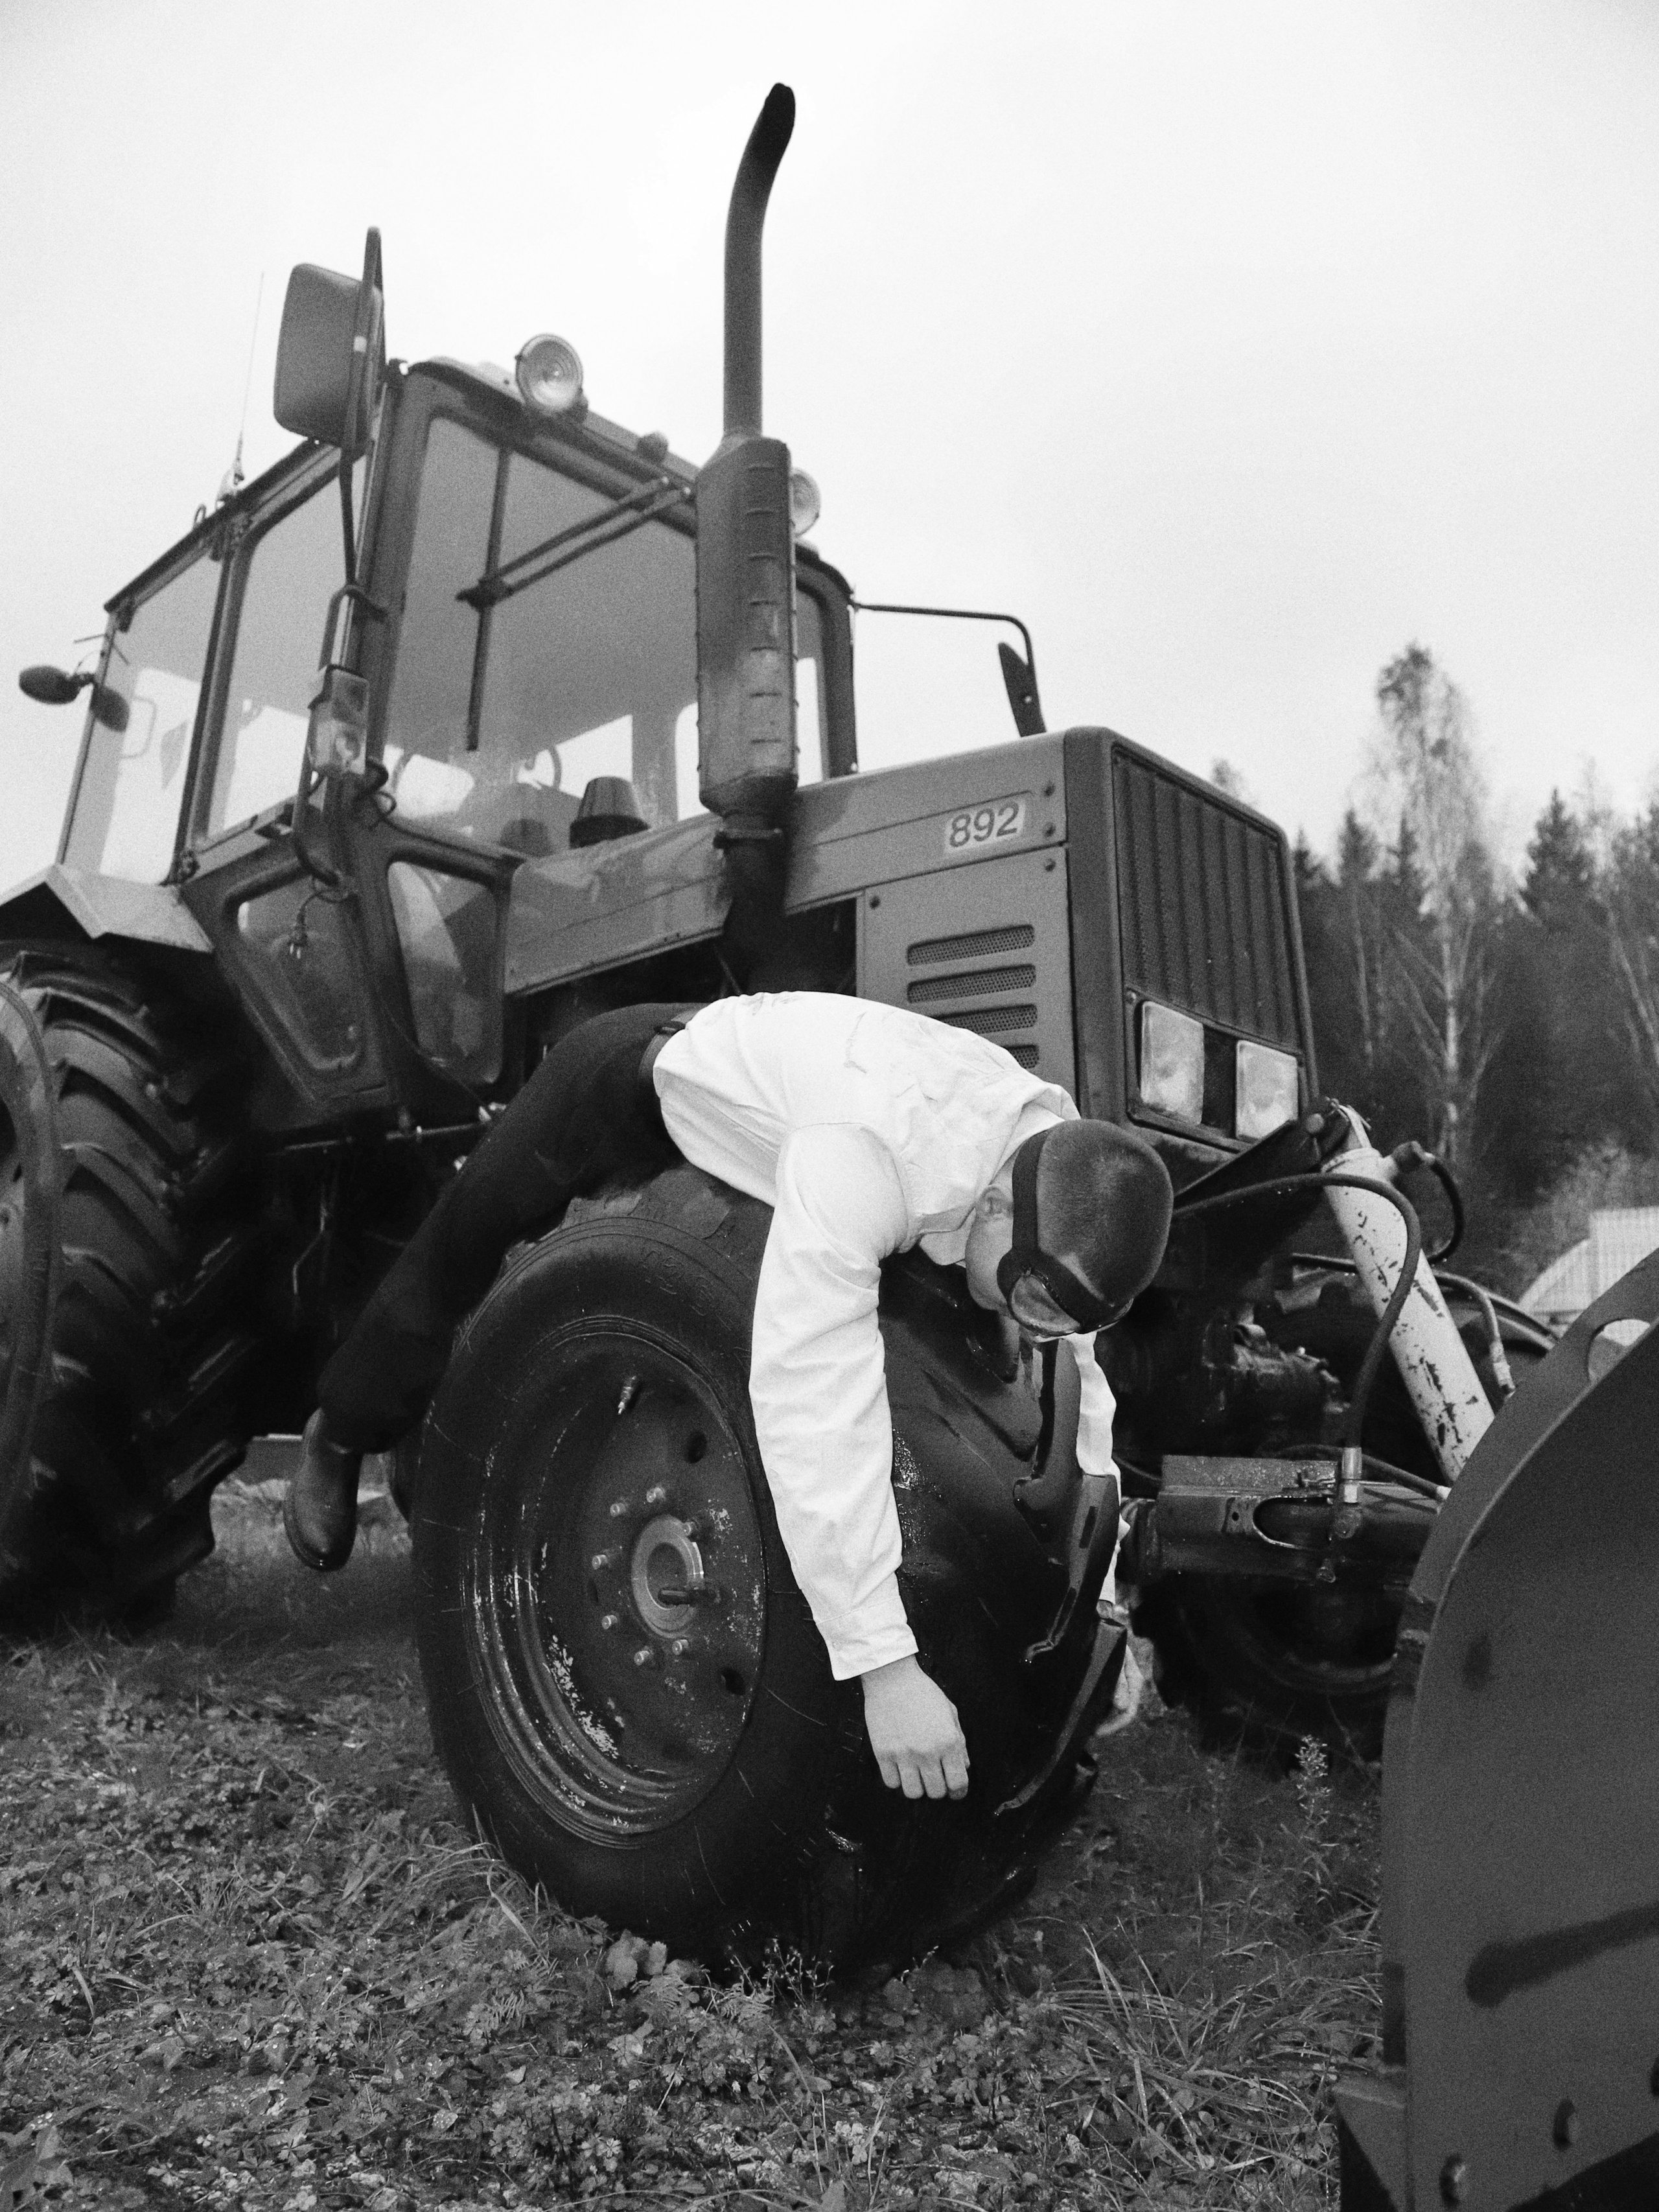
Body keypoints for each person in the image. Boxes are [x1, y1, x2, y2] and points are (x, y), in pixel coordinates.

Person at [285, 992, 1174, 1802]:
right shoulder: (866, 1152)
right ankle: (344, 1424)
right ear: (992, 1206)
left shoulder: (1061, 1184)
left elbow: (1078, 1392)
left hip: (782, 1085)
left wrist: (1100, 1595)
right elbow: (812, 1402)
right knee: (467, 1238)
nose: (1036, 1326)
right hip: (624, 1084)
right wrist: (885, 1669)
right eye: (1028, 1298)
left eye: (1063, 1311)